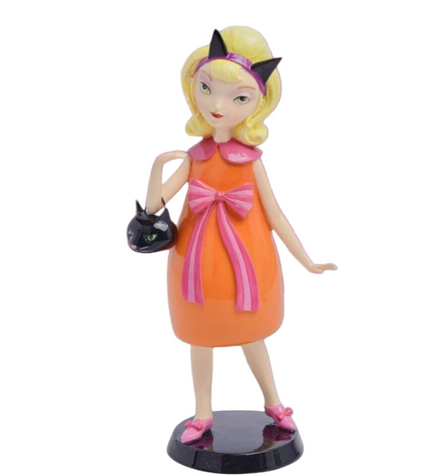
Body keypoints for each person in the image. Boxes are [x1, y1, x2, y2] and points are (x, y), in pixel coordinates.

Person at [144, 27, 337, 444]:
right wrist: (158, 165)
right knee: (200, 338)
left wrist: (307, 261)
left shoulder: (250, 162)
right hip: (195, 265)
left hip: (248, 262)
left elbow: (275, 215)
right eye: (207, 89)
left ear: (258, 104)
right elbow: (154, 205)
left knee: (253, 335)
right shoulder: (194, 158)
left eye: (238, 97)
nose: (217, 105)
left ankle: (273, 402)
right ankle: (202, 413)